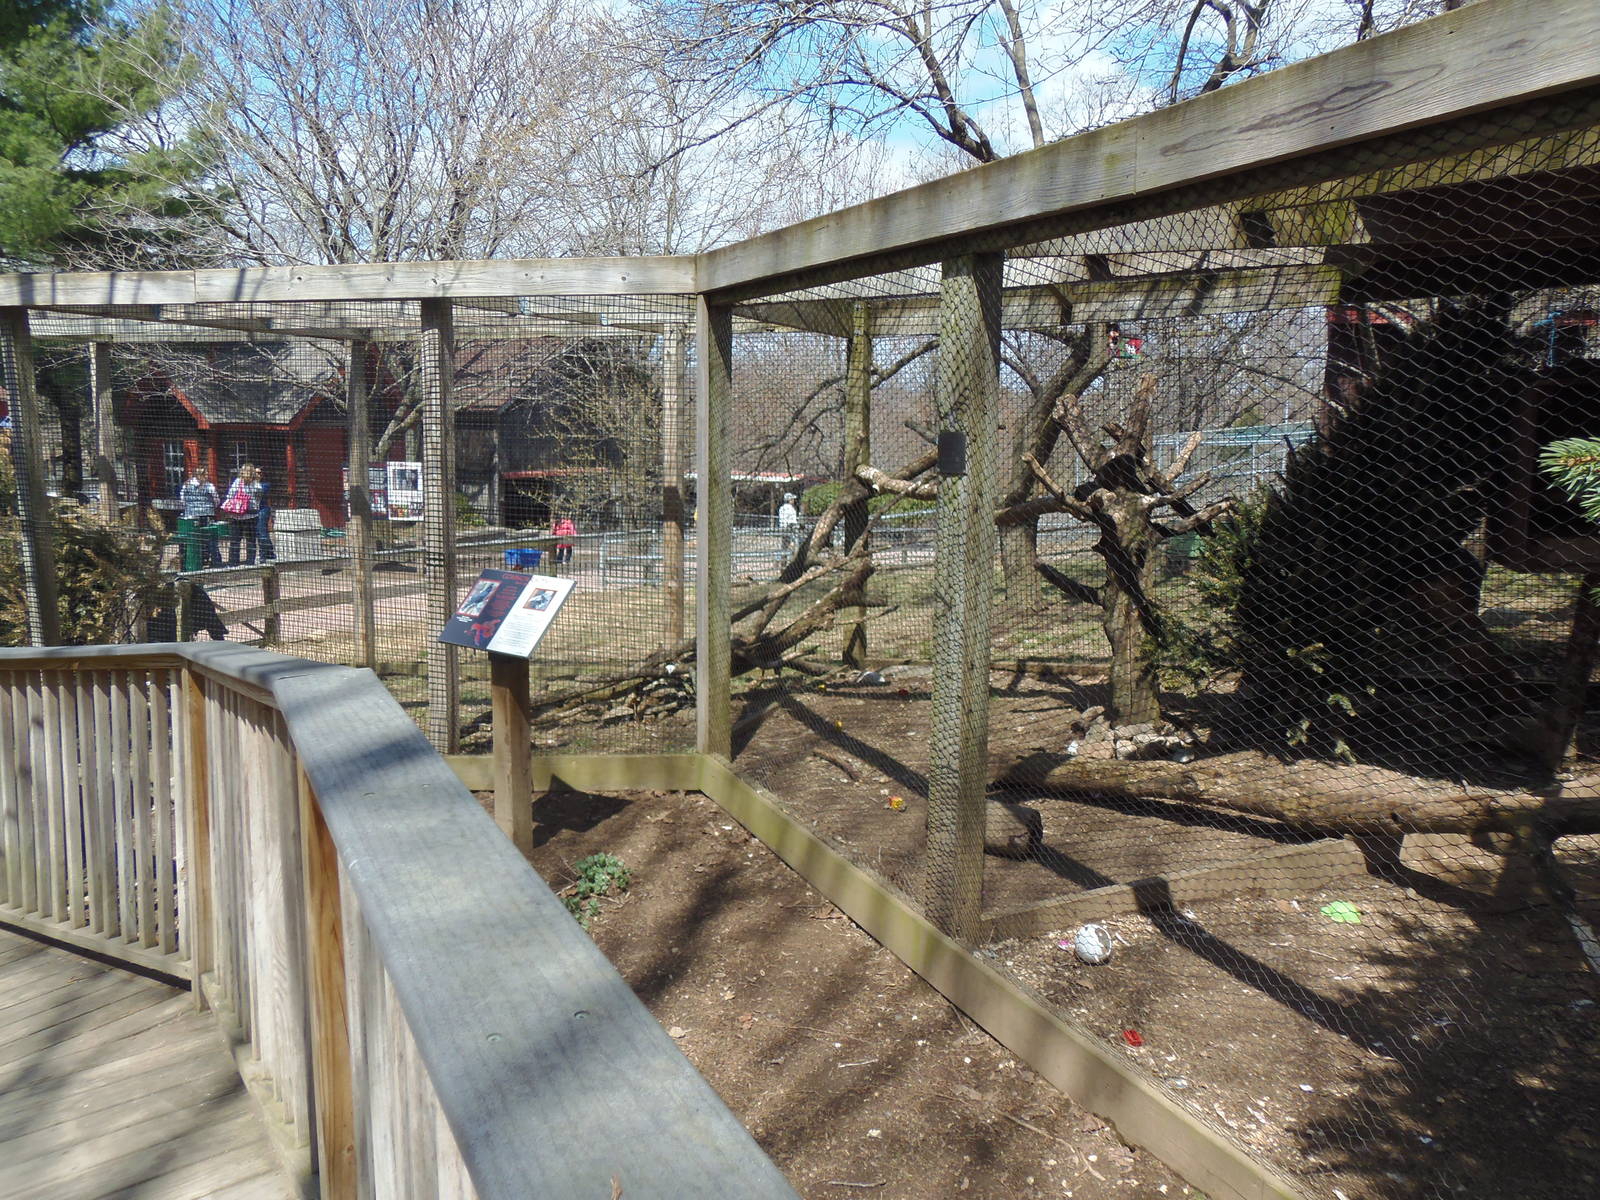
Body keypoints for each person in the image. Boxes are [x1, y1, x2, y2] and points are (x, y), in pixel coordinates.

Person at [221, 463, 264, 566]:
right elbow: (259, 498)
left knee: (235, 540)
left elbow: (230, 495)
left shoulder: (237, 482)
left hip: (237, 515)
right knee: (251, 540)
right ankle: (250, 562)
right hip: (251, 515)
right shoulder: (256, 484)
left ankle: (233, 562)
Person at [178, 469, 222, 568]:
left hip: (191, 515)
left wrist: (190, 508)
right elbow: (216, 500)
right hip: (206, 514)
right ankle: (216, 561)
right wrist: (210, 507)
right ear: (200, 475)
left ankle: (200, 560)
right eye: (206, 474)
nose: (207, 476)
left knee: (195, 538)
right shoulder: (208, 486)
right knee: (210, 538)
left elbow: (182, 500)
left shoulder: (186, 485)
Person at [256, 479, 276, 562]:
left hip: (262, 510)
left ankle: (263, 556)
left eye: (259, 473)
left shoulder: (265, 484)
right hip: (252, 511)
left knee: (262, 533)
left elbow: (260, 491)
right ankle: (270, 553)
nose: (257, 475)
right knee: (260, 533)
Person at [777, 491, 800, 557]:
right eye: (792, 499)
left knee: (784, 546)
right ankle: (793, 561)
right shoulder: (791, 509)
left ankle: (782, 561)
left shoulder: (781, 508)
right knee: (794, 545)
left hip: (783, 528)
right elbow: (792, 521)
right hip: (790, 529)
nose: (793, 501)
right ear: (789, 500)